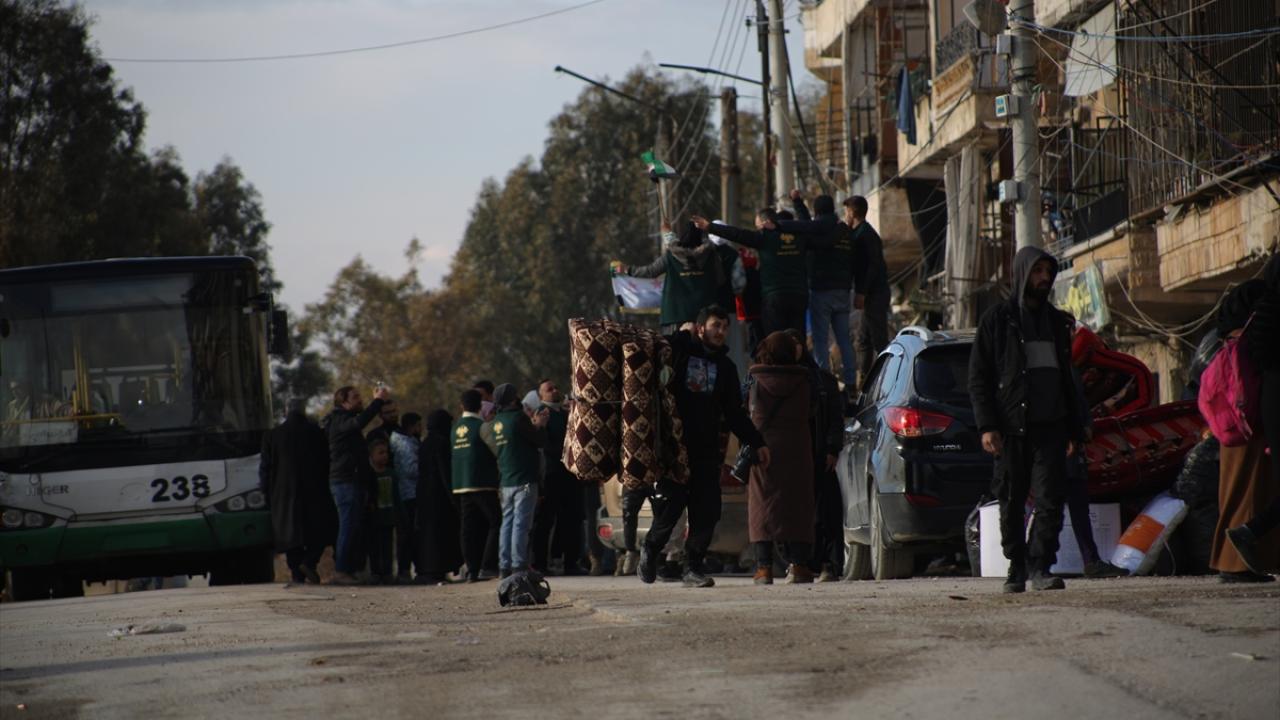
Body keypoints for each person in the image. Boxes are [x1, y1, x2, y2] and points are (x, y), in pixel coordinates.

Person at [969, 247, 1087, 593]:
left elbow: (1068, 378)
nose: (1044, 279)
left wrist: (1075, 427)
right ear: (1022, 273)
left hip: (1051, 426)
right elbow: (978, 378)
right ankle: (1016, 566)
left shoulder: (1057, 323)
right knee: (1011, 499)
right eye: (1037, 272)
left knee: (1051, 499)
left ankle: (1040, 566)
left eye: (1048, 272)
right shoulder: (997, 320)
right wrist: (987, 426)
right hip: (1011, 428)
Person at [639, 305, 770, 588]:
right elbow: (657, 351)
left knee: (707, 511)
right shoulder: (681, 353)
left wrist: (756, 442)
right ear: (700, 328)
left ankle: (693, 568)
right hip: (675, 448)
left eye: (724, 327)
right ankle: (650, 548)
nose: (721, 332)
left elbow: (734, 413)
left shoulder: (726, 368)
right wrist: (682, 335)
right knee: (671, 506)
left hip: (707, 451)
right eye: (715, 326)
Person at [1213, 259, 1280, 582]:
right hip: (1247, 416)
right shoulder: (1263, 315)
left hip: (1238, 417)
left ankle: (1241, 559)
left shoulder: (1230, 343)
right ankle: (1237, 561)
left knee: (1242, 490)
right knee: (1249, 489)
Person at [693, 206, 824, 340]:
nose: (758, 229)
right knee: (797, 339)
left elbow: (738, 234)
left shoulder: (764, 236)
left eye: (758, 226)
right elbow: (815, 228)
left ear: (766, 222)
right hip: (799, 295)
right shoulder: (800, 237)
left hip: (774, 296)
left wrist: (710, 227)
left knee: (775, 340)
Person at [746, 332, 815, 584]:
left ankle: (764, 568)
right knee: (798, 504)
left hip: (763, 448)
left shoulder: (756, 379)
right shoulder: (804, 380)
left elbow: (747, 409)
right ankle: (799, 565)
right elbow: (812, 409)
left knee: (761, 504)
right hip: (797, 447)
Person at [786, 331, 844, 583]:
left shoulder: (822, 381)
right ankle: (800, 564)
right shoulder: (775, 380)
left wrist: (832, 448)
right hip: (791, 460)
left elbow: (835, 418)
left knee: (825, 512)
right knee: (796, 514)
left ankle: (827, 563)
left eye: (795, 345)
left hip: (819, 456)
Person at [258, 398, 334, 584]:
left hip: (283, 493)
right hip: (315, 490)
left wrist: (266, 492)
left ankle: (297, 575)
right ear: (304, 411)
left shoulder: (272, 435)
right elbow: (327, 461)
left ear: (286, 411)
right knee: (319, 531)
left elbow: (265, 467)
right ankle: (309, 562)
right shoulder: (316, 432)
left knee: (290, 536)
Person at [323, 384, 389, 586]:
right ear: (343, 402)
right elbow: (360, 422)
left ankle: (350, 569)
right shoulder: (340, 420)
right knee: (348, 526)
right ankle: (341, 570)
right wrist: (378, 401)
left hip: (352, 481)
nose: (360, 400)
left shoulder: (343, 420)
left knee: (354, 527)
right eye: (355, 397)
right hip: (345, 482)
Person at [483, 383, 549, 578]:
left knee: (507, 523)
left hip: (506, 480)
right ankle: (519, 565)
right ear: (513, 399)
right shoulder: (518, 418)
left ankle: (504, 565)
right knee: (521, 524)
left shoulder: (496, 422)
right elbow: (538, 440)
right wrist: (540, 425)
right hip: (524, 479)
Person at [616, 221, 726, 334]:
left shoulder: (671, 256)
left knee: (675, 344)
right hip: (705, 317)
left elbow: (650, 271)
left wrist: (628, 270)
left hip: (675, 314)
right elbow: (720, 280)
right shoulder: (711, 256)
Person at [529, 379, 585, 575]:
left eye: (555, 388)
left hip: (569, 474)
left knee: (571, 518)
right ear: (541, 395)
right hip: (551, 473)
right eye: (549, 389)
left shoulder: (564, 413)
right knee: (545, 520)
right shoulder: (541, 414)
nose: (554, 391)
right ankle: (540, 563)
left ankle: (571, 562)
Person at [452, 389, 501, 582]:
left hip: (461, 484)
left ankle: (472, 570)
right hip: (483, 483)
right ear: (480, 406)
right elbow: (497, 451)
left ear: (461, 406)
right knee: (496, 522)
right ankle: (488, 566)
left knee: (468, 528)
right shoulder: (483, 427)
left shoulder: (455, 428)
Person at [844, 196, 891, 391]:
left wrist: (862, 292)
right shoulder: (858, 233)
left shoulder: (866, 235)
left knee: (879, 341)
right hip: (871, 293)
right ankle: (864, 384)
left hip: (875, 293)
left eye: (846, 211)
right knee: (863, 339)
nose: (845, 216)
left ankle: (888, 383)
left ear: (852, 212)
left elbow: (872, 266)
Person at [417, 408, 462, 584]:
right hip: (439, 496)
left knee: (429, 534)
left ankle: (430, 569)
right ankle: (437, 568)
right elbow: (444, 472)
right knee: (440, 533)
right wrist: (453, 497)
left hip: (424, 494)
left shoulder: (425, 443)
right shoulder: (442, 443)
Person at [389, 412, 423, 584]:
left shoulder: (401, 440)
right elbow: (410, 469)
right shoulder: (405, 444)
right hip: (409, 493)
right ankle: (405, 570)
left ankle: (407, 569)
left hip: (404, 493)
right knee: (408, 534)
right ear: (413, 426)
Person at [364, 436, 397, 584]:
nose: (384, 456)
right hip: (374, 517)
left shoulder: (391, 474)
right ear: (371, 455)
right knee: (374, 547)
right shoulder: (369, 475)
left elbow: (397, 497)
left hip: (388, 516)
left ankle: (387, 573)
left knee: (387, 546)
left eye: (386, 452)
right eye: (380, 452)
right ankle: (375, 572)